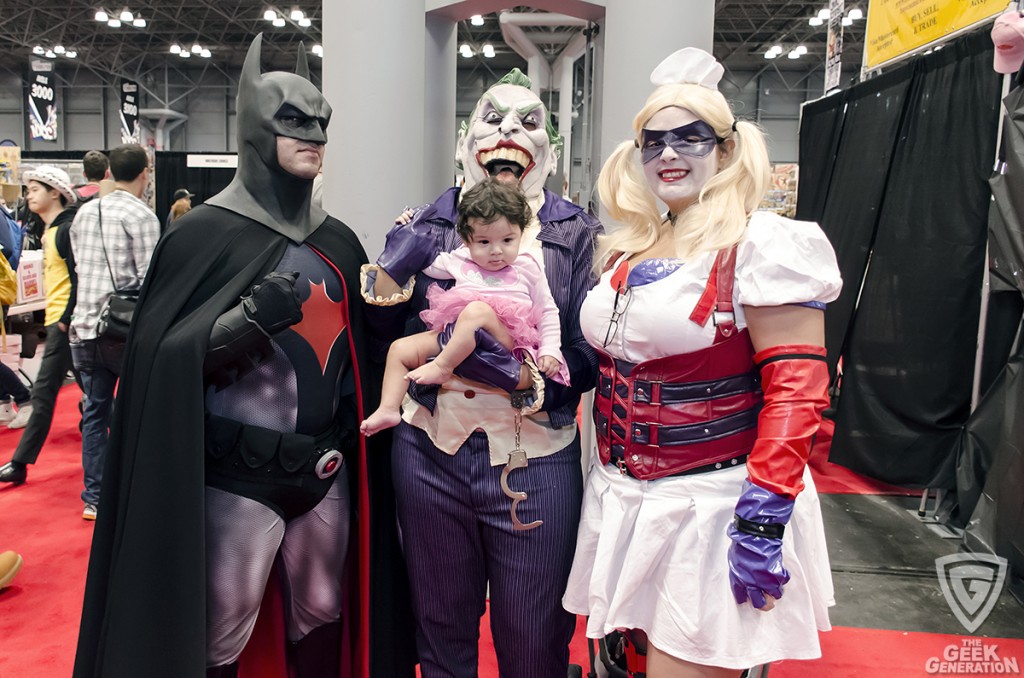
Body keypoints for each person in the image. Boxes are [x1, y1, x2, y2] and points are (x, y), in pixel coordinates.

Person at [73, 35, 415, 678]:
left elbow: (363, 358)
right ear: (255, 125)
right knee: (220, 632)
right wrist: (247, 321)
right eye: (293, 120)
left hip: (327, 466)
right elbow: (156, 364)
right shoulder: (202, 234)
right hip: (235, 474)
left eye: (321, 122)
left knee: (324, 611)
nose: (314, 134)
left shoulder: (337, 240)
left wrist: (398, 304)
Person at [560, 48, 842, 677]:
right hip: (620, 498)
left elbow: (797, 390)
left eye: (691, 137)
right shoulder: (626, 246)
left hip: (713, 509)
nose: (669, 153)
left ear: (726, 149)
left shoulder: (760, 242)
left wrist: (764, 516)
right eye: (653, 140)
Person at [362, 68, 602, 678]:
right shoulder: (432, 224)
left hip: (534, 454)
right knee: (440, 631)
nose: (508, 133)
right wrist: (390, 279)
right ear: (468, 138)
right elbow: (384, 337)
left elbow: (589, 346)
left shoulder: (575, 232)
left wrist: (534, 380)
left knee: (533, 639)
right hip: (429, 451)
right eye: (492, 119)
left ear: (548, 144)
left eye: (527, 122)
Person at [361, 178, 569, 436]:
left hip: (505, 340)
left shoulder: (528, 266)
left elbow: (548, 310)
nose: (496, 251)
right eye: (484, 242)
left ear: (521, 233)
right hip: (458, 337)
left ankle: (443, 366)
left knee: (477, 311)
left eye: (507, 240)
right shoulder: (459, 259)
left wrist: (550, 350)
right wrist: (405, 229)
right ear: (466, 240)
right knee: (399, 349)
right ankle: (388, 408)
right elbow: (421, 261)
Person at [69, 143, 160, 521]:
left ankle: (94, 496)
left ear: (108, 173)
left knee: (95, 411)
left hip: (83, 327)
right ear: (144, 173)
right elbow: (151, 279)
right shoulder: (142, 216)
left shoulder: (84, 214)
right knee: (138, 411)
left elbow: (78, 266)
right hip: (123, 330)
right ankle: (137, 491)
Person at [0, 166, 79, 486]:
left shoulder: (64, 231)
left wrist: (65, 318)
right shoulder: (51, 231)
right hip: (63, 324)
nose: (28, 194)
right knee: (97, 397)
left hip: (66, 326)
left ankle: (19, 463)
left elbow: (77, 278)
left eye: (35, 188)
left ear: (55, 192)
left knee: (45, 395)